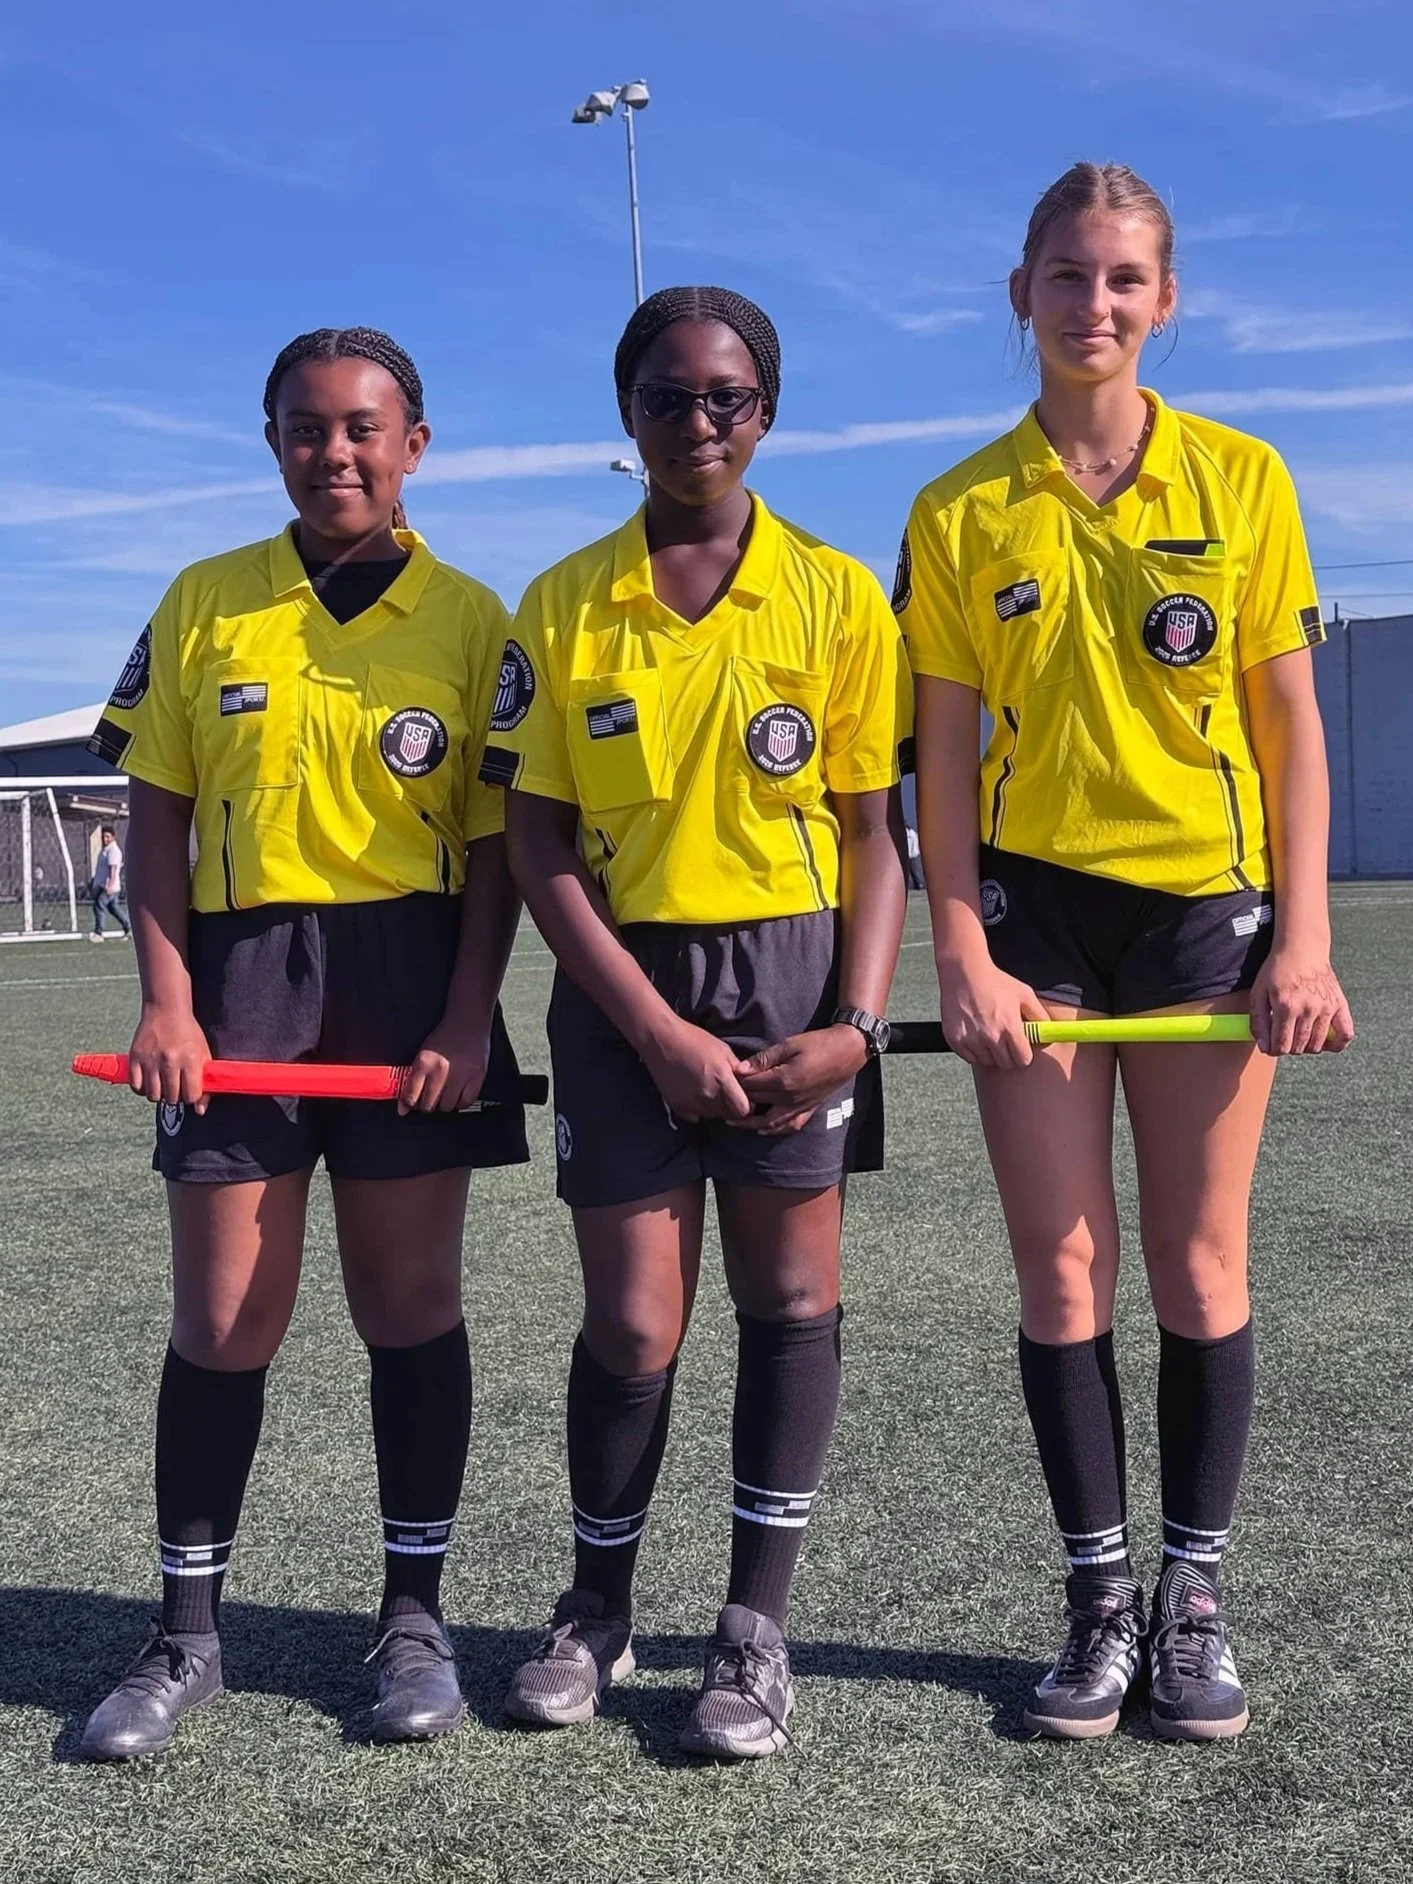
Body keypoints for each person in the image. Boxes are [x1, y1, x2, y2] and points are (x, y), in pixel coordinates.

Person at [901, 164, 1354, 1743]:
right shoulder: (959, 509)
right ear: (1017, 290)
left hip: (1200, 916)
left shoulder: (1242, 479)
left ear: (1166, 299)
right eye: (1065, 276)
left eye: (1121, 279)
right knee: (1063, 1266)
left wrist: (1303, 936)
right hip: (1034, 914)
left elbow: (1291, 729)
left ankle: (1196, 1599)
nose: (1092, 305)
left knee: (1197, 1262)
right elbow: (939, 763)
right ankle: (1099, 1603)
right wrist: (956, 946)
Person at [79, 327, 528, 1759]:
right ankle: (185, 1635)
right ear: (272, 440)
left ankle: (413, 1621)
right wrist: (167, 998)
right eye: (306, 428)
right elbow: (154, 815)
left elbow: (495, 843)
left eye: (362, 428)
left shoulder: (473, 617)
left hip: (411, 990)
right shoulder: (207, 602)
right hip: (240, 984)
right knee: (223, 1321)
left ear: (415, 444)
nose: (335, 452)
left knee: (407, 1310)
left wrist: (467, 1013)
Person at [483, 286, 909, 1758]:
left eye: (727, 397)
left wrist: (856, 1022)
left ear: (767, 412)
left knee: (787, 1305)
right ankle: (596, 1609)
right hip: (623, 990)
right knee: (632, 1318)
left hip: (794, 984)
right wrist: (653, 1029)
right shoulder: (560, 603)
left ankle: (750, 1633)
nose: (698, 423)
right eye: (668, 397)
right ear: (628, 414)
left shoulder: (839, 595)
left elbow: (872, 836)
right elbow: (536, 844)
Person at [90, 823, 131, 939]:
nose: (105, 839)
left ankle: (99, 933)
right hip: (103, 884)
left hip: (109, 886)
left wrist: (110, 885)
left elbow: (113, 868)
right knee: (113, 908)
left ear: (113, 837)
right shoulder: (105, 850)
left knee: (99, 905)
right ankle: (128, 928)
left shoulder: (113, 850)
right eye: (103, 837)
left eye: (108, 836)